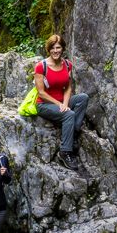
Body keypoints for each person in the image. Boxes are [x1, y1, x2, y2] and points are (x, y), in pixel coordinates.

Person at [34, 34, 89, 171]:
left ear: (63, 48)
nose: (55, 51)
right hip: (44, 104)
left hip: (61, 102)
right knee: (69, 114)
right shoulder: (41, 67)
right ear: (48, 49)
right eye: (52, 48)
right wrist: (61, 106)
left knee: (83, 98)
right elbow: (41, 92)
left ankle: (73, 131)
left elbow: (68, 87)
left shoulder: (67, 65)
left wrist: (64, 103)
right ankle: (64, 152)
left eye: (58, 47)